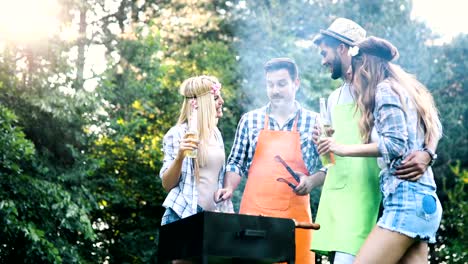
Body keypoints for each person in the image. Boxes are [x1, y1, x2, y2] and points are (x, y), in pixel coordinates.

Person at [309, 18, 440, 264]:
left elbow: (396, 144)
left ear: (360, 61)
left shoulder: (383, 89)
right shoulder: (397, 87)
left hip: (400, 198)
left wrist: (428, 154)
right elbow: (427, 123)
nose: (352, 74)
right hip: (414, 198)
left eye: (355, 67)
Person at [215, 58, 324, 264]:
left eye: (281, 83)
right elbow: (236, 162)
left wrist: (311, 182)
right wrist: (229, 187)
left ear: (296, 83)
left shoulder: (315, 121)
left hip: (296, 220)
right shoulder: (249, 120)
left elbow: (328, 167)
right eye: (270, 84)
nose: (275, 90)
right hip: (254, 219)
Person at [159, 75, 230, 226]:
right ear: (201, 103)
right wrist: (180, 157)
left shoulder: (216, 134)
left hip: (211, 218)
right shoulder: (178, 134)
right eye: (216, 98)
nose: (221, 102)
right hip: (183, 215)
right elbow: (167, 184)